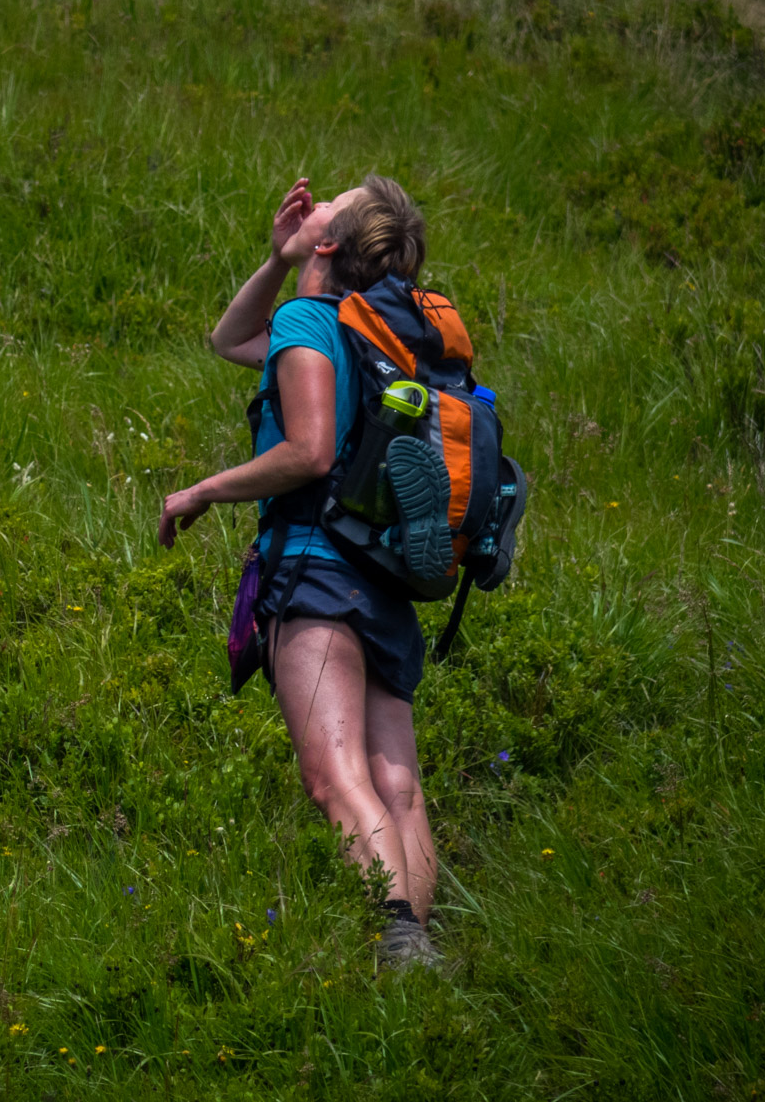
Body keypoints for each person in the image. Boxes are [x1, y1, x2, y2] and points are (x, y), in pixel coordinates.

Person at [156, 175, 441, 970]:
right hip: (385, 577)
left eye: (324, 206)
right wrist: (281, 259)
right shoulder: (366, 332)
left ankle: (398, 936)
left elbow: (310, 453)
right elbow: (229, 340)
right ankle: (417, 951)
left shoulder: (311, 325)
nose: (309, 202)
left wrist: (203, 489)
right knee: (398, 786)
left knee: (335, 776)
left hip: (316, 574)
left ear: (329, 243)